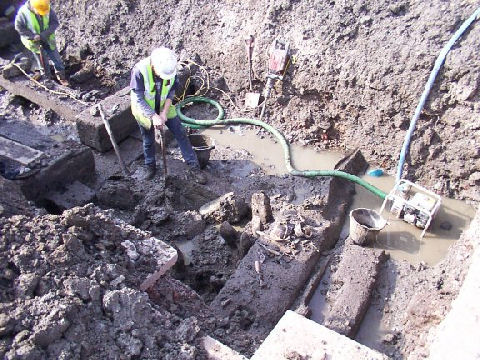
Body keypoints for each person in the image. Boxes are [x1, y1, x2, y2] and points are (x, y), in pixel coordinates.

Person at [130, 47, 206, 183]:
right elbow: (139, 99)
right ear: (154, 66)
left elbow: (171, 92)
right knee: (148, 140)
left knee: (180, 133)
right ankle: (150, 166)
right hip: (144, 109)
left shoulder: (171, 68)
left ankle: (193, 166)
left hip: (164, 104)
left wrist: (164, 112)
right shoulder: (140, 71)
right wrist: (154, 117)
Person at [14, 0, 69, 86]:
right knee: (42, 62)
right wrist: (32, 36)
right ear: (33, 7)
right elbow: (19, 28)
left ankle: (61, 77)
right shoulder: (23, 13)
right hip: (34, 42)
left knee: (56, 59)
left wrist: (43, 35)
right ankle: (47, 79)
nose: (42, 14)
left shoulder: (47, 8)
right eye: (39, 12)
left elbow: (54, 23)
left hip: (48, 39)